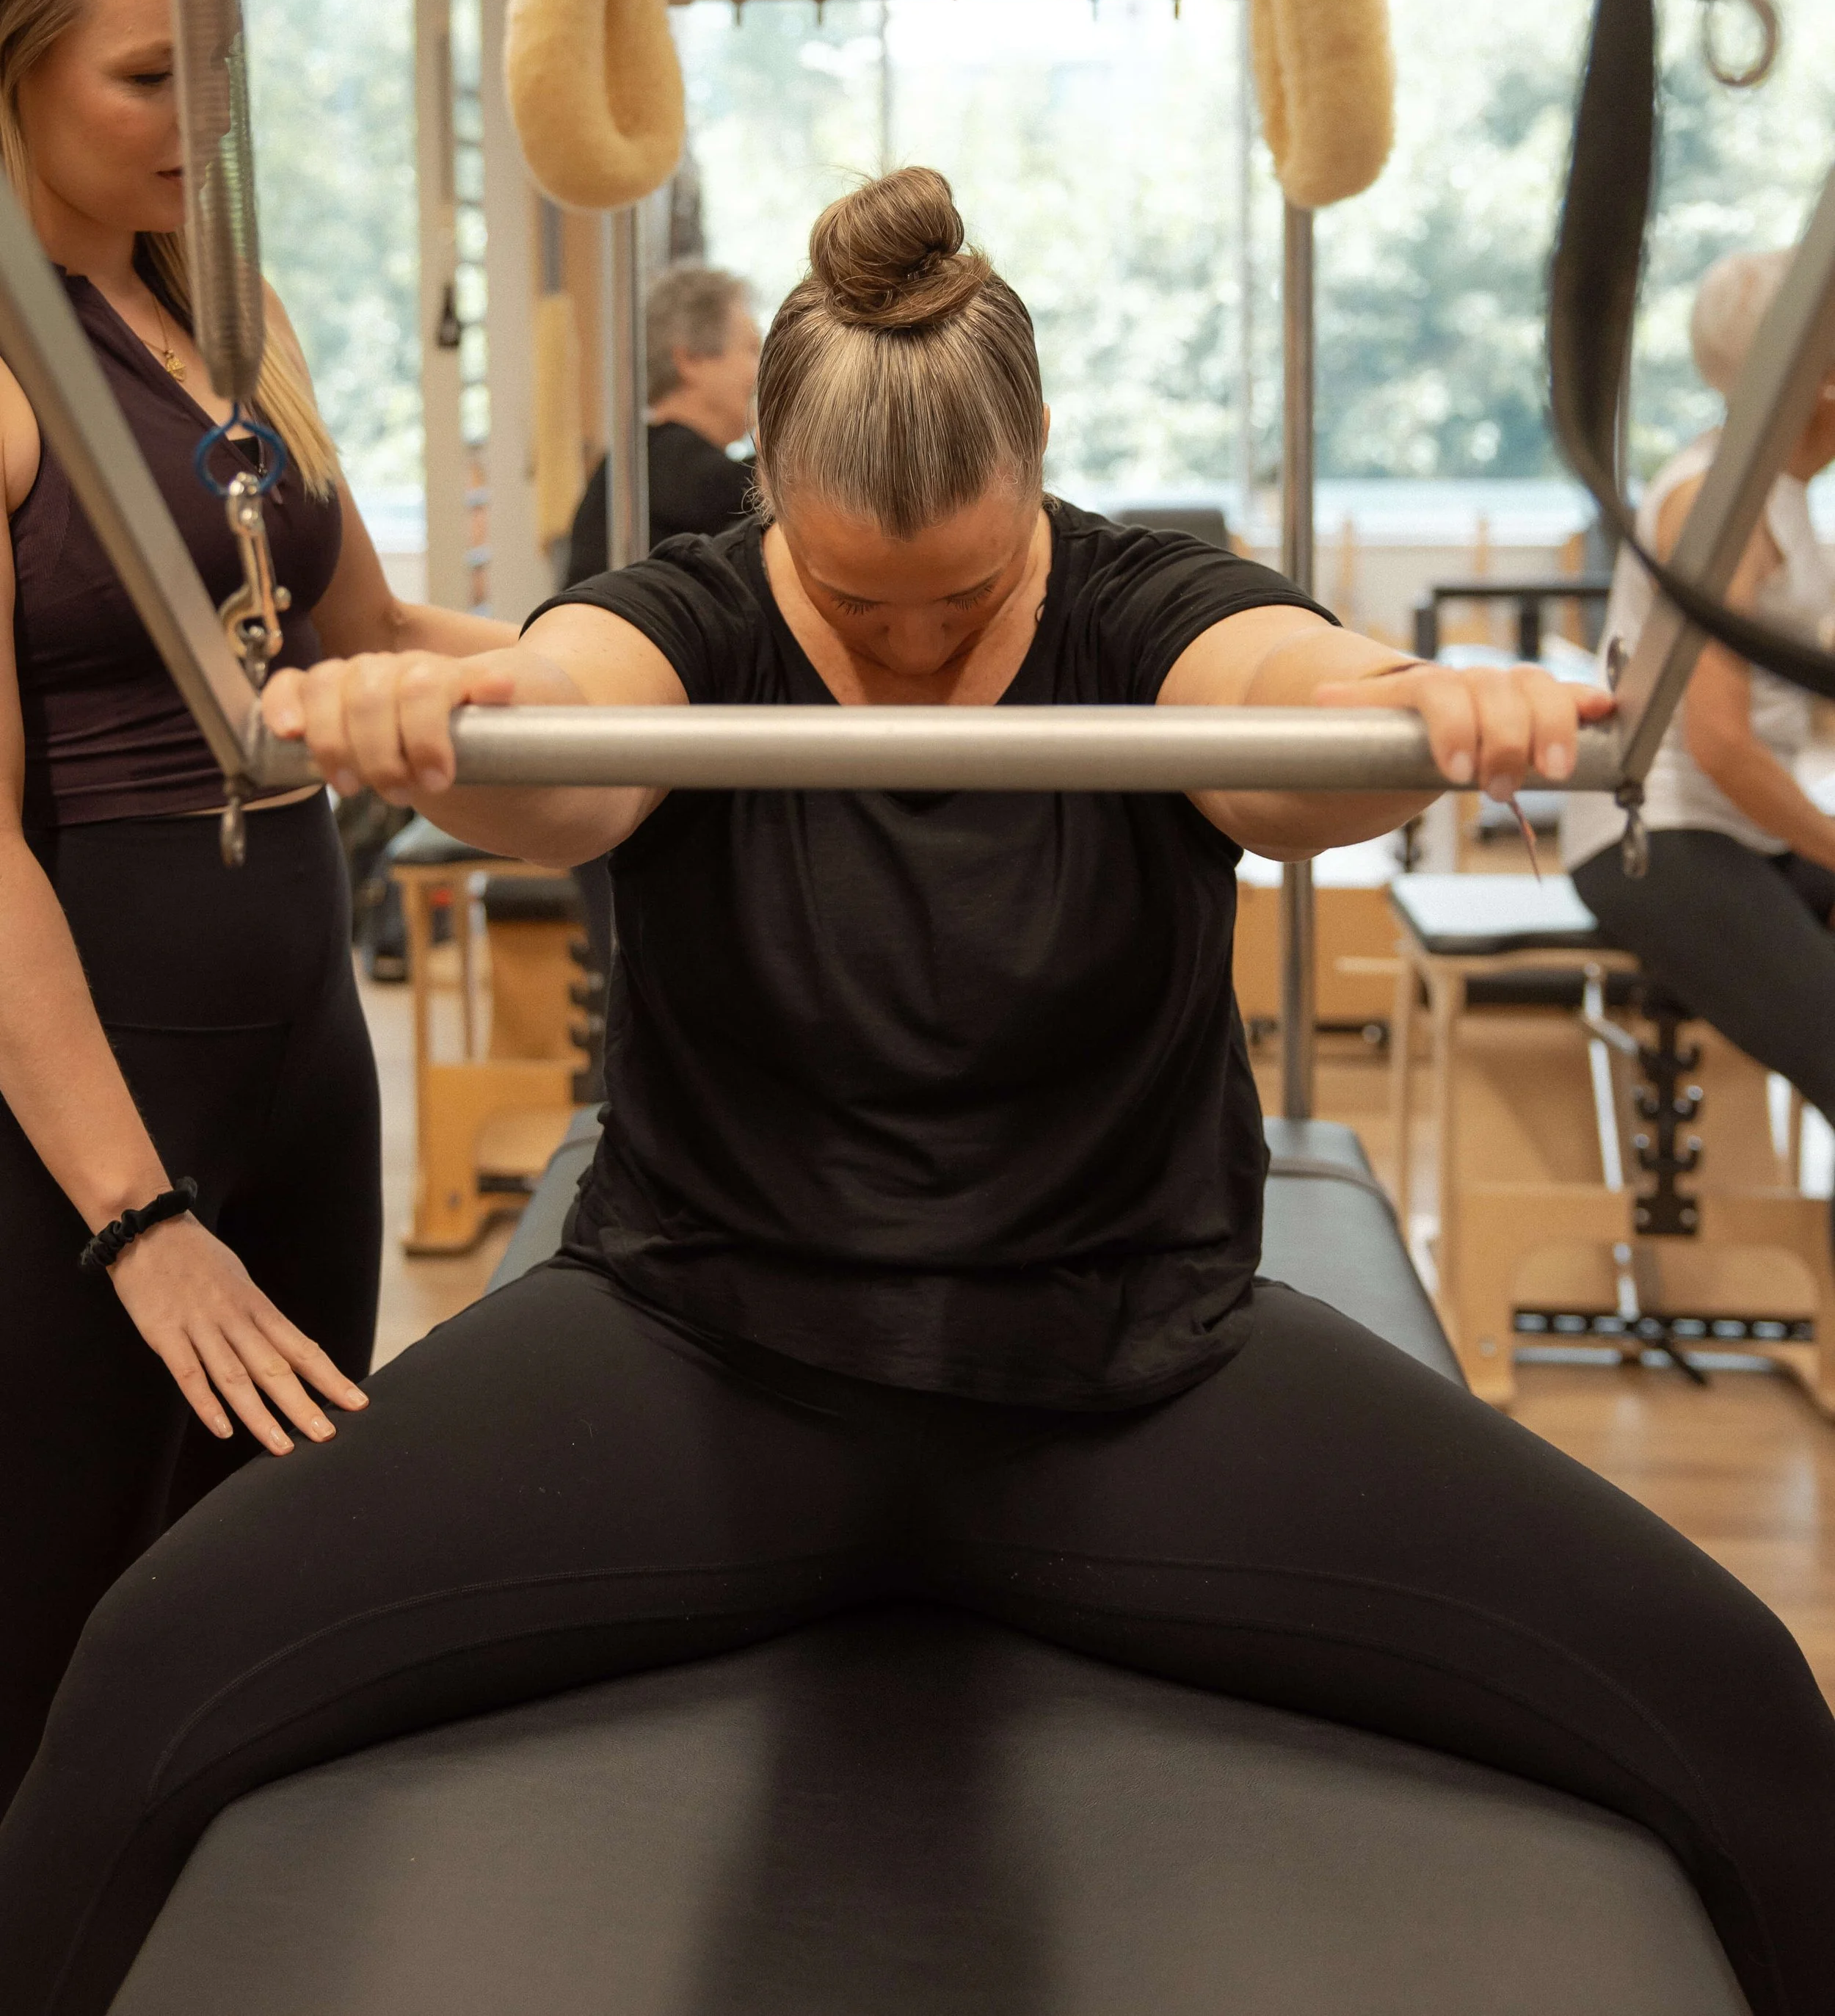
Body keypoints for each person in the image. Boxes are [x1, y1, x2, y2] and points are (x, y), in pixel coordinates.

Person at [3, 168, 1831, 2016]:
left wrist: (1422, 710)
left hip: (1127, 1378)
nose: (904, 647)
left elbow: (1291, 727)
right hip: (707, 1362)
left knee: (1734, 1690)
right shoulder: (690, 619)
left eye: (958, 592)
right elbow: (563, 746)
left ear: (1037, 461)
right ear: (766, 497)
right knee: (153, 1659)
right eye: (851, 595)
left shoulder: (1142, 607)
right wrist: (432, 729)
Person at [0, 0, 517, 1814]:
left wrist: (653, 655)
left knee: (270, 1599)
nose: (197, 123)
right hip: (95, 1114)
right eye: (148, 81)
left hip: (304, 1043)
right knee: (69, 1643)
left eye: (220, 74)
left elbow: (371, 638)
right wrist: (137, 1224)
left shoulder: (218, 308)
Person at [1564, 248, 1835, 1121]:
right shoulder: (1716, 501)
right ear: (1813, 376)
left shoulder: (1773, 489)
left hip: (1734, 833)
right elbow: (1719, 745)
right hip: (1657, 838)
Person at [565, 262, 759, 578]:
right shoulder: (662, 461)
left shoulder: (642, 456)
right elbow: (769, 490)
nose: (763, 370)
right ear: (690, 360)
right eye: (752, 349)